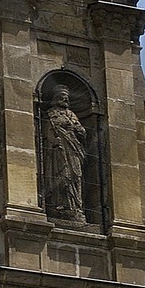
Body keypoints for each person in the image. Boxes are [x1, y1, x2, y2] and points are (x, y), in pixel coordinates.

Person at [43, 86, 86, 221]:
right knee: (60, 175)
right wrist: (55, 140)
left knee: (75, 175)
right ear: (56, 99)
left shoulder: (72, 115)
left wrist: (72, 127)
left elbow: (82, 132)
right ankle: (59, 205)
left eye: (66, 97)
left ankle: (75, 206)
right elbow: (47, 132)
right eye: (62, 96)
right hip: (57, 151)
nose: (65, 98)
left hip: (73, 149)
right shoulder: (50, 114)